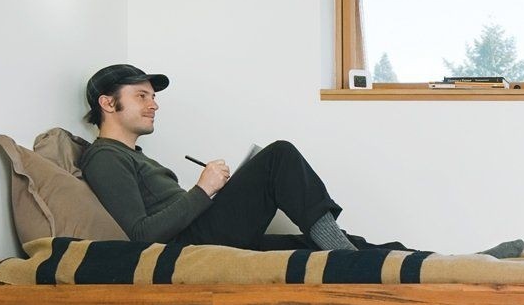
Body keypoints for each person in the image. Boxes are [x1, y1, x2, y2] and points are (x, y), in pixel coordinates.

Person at [78, 64, 360, 251]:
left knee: (309, 245)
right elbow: (141, 235)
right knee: (278, 156)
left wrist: (215, 191)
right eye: (142, 96)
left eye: (152, 96)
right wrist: (203, 189)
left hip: (200, 231)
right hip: (189, 246)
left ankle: (373, 259)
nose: (154, 104)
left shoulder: (133, 156)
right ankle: (347, 257)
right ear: (108, 102)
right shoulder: (105, 156)